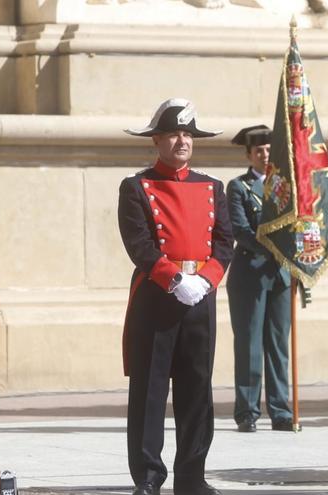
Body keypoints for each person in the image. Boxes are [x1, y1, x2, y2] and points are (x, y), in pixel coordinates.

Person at [118, 98, 232, 495]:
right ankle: (148, 477)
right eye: (173, 134)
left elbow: (225, 242)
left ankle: (191, 475)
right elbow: (139, 244)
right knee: (149, 390)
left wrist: (207, 279)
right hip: (157, 297)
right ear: (157, 140)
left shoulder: (212, 187)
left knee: (197, 388)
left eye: (187, 134)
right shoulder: (136, 187)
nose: (182, 141)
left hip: (200, 295)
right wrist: (173, 279)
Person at [225, 125, 295, 433]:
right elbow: (240, 230)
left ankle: (281, 409)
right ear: (249, 155)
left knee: (278, 344)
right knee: (250, 344)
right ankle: (248, 411)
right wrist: (275, 247)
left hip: (280, 274)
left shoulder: (285, 187)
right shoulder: (239, 187)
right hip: (250, 273)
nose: (264, 155)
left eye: (269, 150)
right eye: (259, 151)